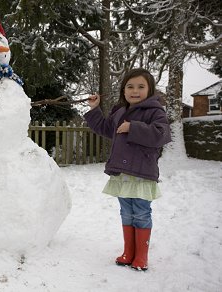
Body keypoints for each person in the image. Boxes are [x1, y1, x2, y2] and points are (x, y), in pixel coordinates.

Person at [84, 68, 171, 271]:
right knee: (126, 213)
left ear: (149, 90)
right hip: (122, 173)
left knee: (141, 213)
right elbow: (106, 128)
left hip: (142, 173)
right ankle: (128, 252)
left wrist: (133, 128)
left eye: (141, 87)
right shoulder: (119, 111)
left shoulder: (155, 111)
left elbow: (161, 135)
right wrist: (94, 109)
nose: (135, 91)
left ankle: (141, 256)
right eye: (130, 86)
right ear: (123, 90)